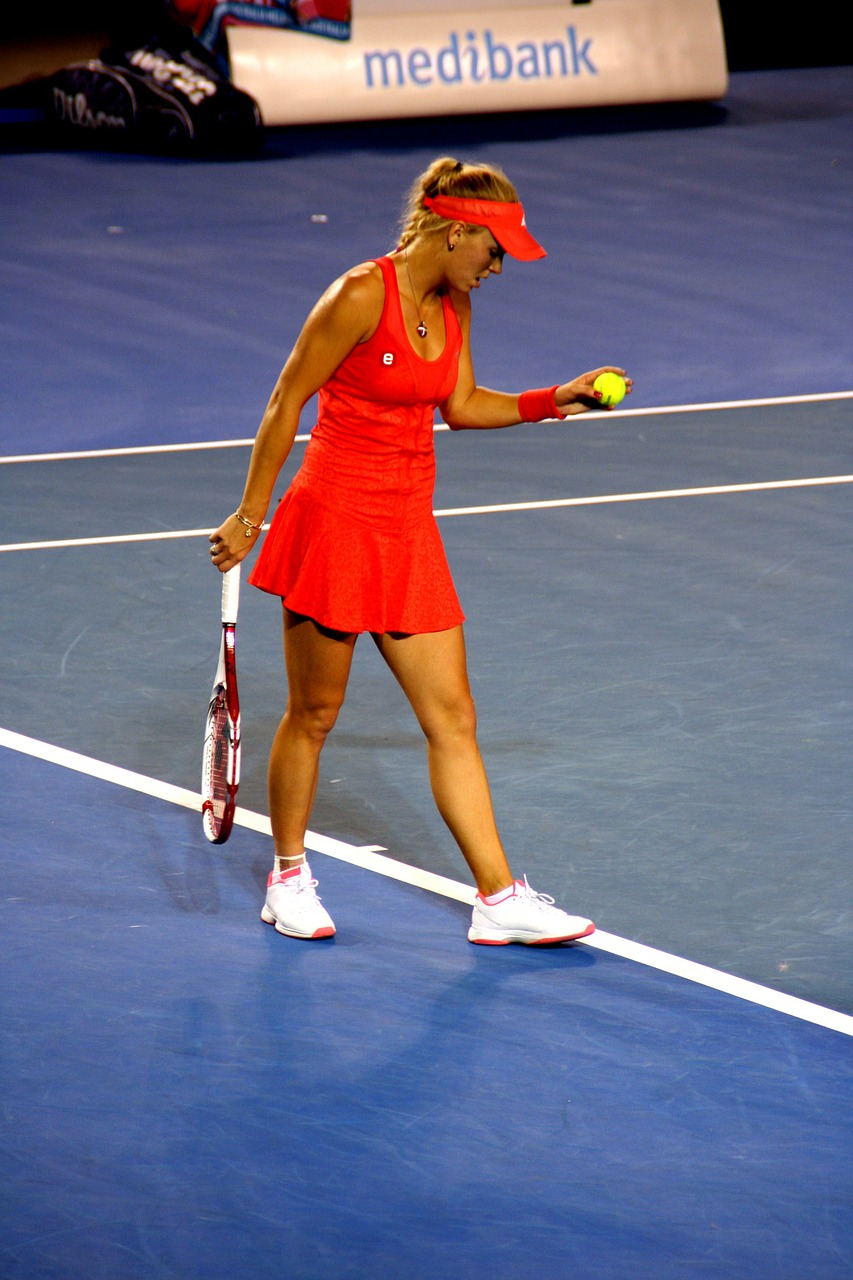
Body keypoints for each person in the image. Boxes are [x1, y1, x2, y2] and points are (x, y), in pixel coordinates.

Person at [209, 156, 631, 945]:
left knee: (454, 718)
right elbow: (284, 400)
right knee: (315, 714)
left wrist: (555, 399)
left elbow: (463, 405)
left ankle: (498, 899)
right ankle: (287, 878)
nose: (499, 265)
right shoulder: (359, 294)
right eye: (493, 249)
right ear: (456, 231)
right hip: (333, 521)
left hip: (407, 531)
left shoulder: (454, 303)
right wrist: (250, 516)